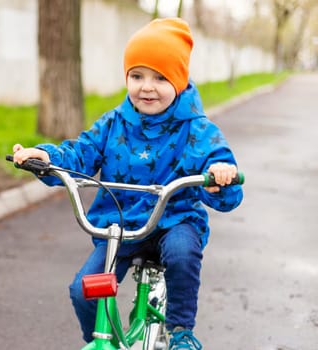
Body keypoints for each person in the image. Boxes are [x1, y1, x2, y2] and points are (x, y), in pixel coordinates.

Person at [12, 17, 243, 350]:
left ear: (178, 81)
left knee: (181, 253)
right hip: (121, 226)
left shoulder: (197, 130)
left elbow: (223, 176)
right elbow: (81, 153)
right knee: (83, 291)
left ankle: (180, 331)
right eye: (137, 76)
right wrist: (47, 159)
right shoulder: (114, 123)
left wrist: (221, 176)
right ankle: (100, 339)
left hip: (174, 220)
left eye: (160, 77)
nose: (146, 87)